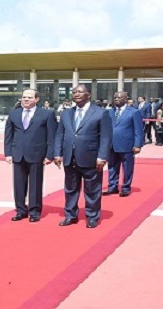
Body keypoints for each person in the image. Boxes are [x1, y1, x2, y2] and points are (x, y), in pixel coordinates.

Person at [53, 84, 112, 228]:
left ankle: (92, 216)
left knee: (92, 189)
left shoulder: (100, 112)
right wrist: (57, 153)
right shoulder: (66, 113)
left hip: (91, 158)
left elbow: (106, 137)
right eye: (74, 92)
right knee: (70, 189)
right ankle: (70, 215)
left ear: (88, 95)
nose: (76, 94)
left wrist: (102, 156)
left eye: (80, 92)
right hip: (69, 157)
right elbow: (60, 134)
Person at [4, 89, 57, 222]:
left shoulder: (47, 114)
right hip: (18, 154)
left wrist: (50, 155)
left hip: (37, 154)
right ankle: (21, 210)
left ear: (36, 99)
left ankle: (34, 211)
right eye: (24, 97)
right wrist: (8, 153)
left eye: (29, 97)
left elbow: (52, 137)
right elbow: (8, 136)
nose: (26, 99)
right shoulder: (14, 114)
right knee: (18, 185)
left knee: (35, 184)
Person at [104, 91, 143, 198]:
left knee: (127, 167)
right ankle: (112, 187)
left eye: (119, 98)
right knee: (112, 167)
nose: (116, 99)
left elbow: (138, 130)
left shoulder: (134, 112)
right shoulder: (109, 112)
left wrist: (138, 145)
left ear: (125, 99)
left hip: (127, 145)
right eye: (115, 97)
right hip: (111, 145)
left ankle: (126, 187)